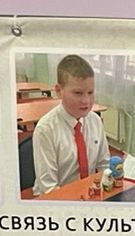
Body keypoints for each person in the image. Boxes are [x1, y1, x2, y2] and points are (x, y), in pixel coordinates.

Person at [31, 55, 108, 196]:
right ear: (58, 91)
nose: (86, 101)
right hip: (57, 198)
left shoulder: (95, 121)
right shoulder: (45, 129)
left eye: (90, 92)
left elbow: (104, 165)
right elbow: (48, 188)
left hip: (88, 192)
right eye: (78, 93)